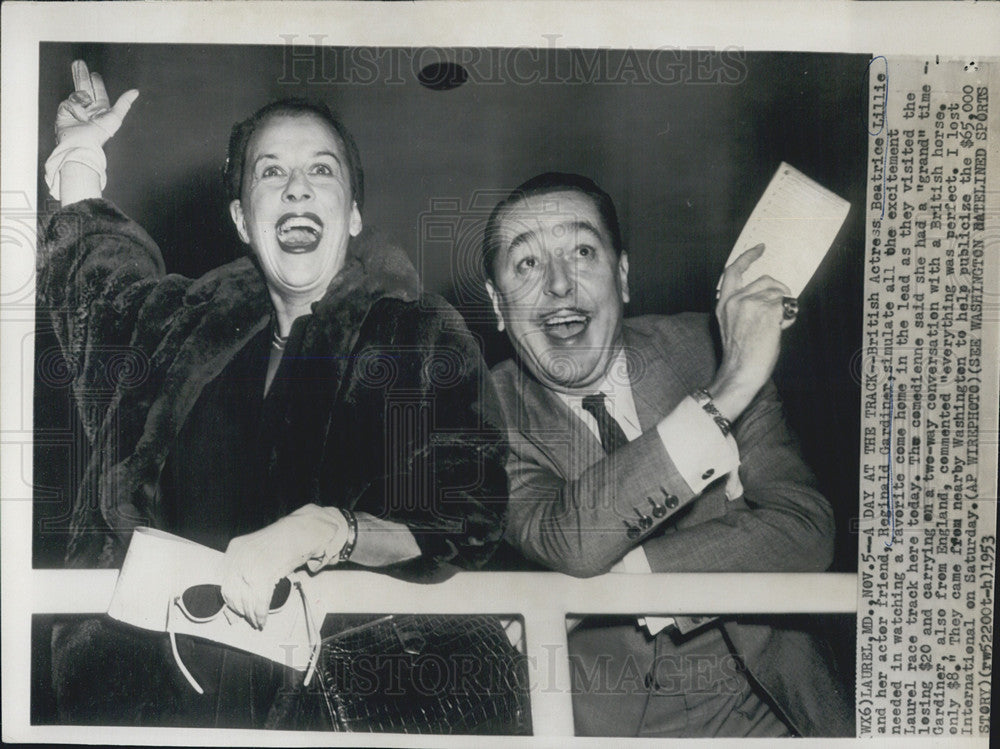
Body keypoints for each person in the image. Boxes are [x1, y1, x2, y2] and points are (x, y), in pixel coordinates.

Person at [41, 61, 516, 730]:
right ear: (242, 217)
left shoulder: (413, 334)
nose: (297, 188)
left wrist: (326, 530)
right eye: (271, 172)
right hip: (166, 706)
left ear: (353, 214)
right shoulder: (179, 332)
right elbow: (101, 298)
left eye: (321, 170)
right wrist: (82, 156)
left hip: (343, 708)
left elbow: (462, 512)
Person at [481, 172, 853, 737]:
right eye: (527, 264)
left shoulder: (703, 348)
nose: (558, 285)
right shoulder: (480, 413)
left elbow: (805, 528)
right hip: (607, 730)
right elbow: (570, 540)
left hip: (774, 714)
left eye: (582, 251)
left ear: (623, 277)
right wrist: (726, 392)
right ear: (498, 305)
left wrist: (629, 573)